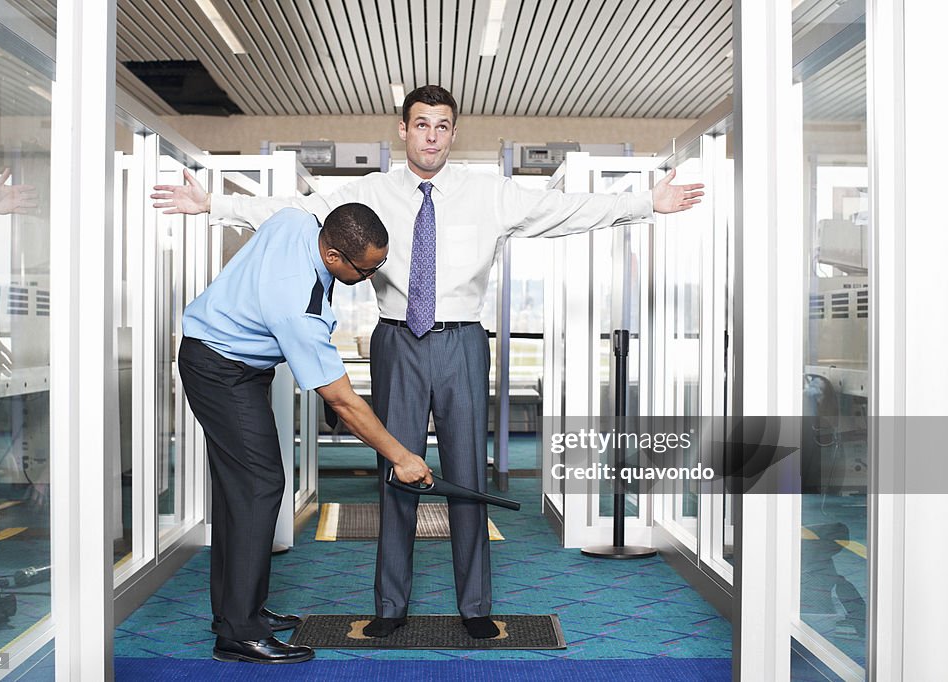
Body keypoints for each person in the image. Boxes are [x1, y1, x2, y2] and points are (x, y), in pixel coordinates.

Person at [151, 85, 705, 640]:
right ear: (403, 129)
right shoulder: (370, 192)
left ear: (453, 132)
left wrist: (642, 204)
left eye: (442, 126)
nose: (432, 136)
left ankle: (475, 605)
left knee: (466, 471)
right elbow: (292, 213)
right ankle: (391, 606)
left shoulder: (490, 193)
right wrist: (214, 206)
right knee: (396, 469)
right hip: (398, 339)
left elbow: (565, 210)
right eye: (422, 125)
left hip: (463, 342)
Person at [175, 202, 432, 664]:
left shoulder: (295, 220)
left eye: (380, 264)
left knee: (240, 489)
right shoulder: (298, 305)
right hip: (220, 368)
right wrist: (401, 456)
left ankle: (236, 610)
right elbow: (343, 401)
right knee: (259, 486)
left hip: (231, 359)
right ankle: (239, 633)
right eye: (367, 269)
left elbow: (264, 214)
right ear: (334, 257)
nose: (372, 275)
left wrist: (211, 204)